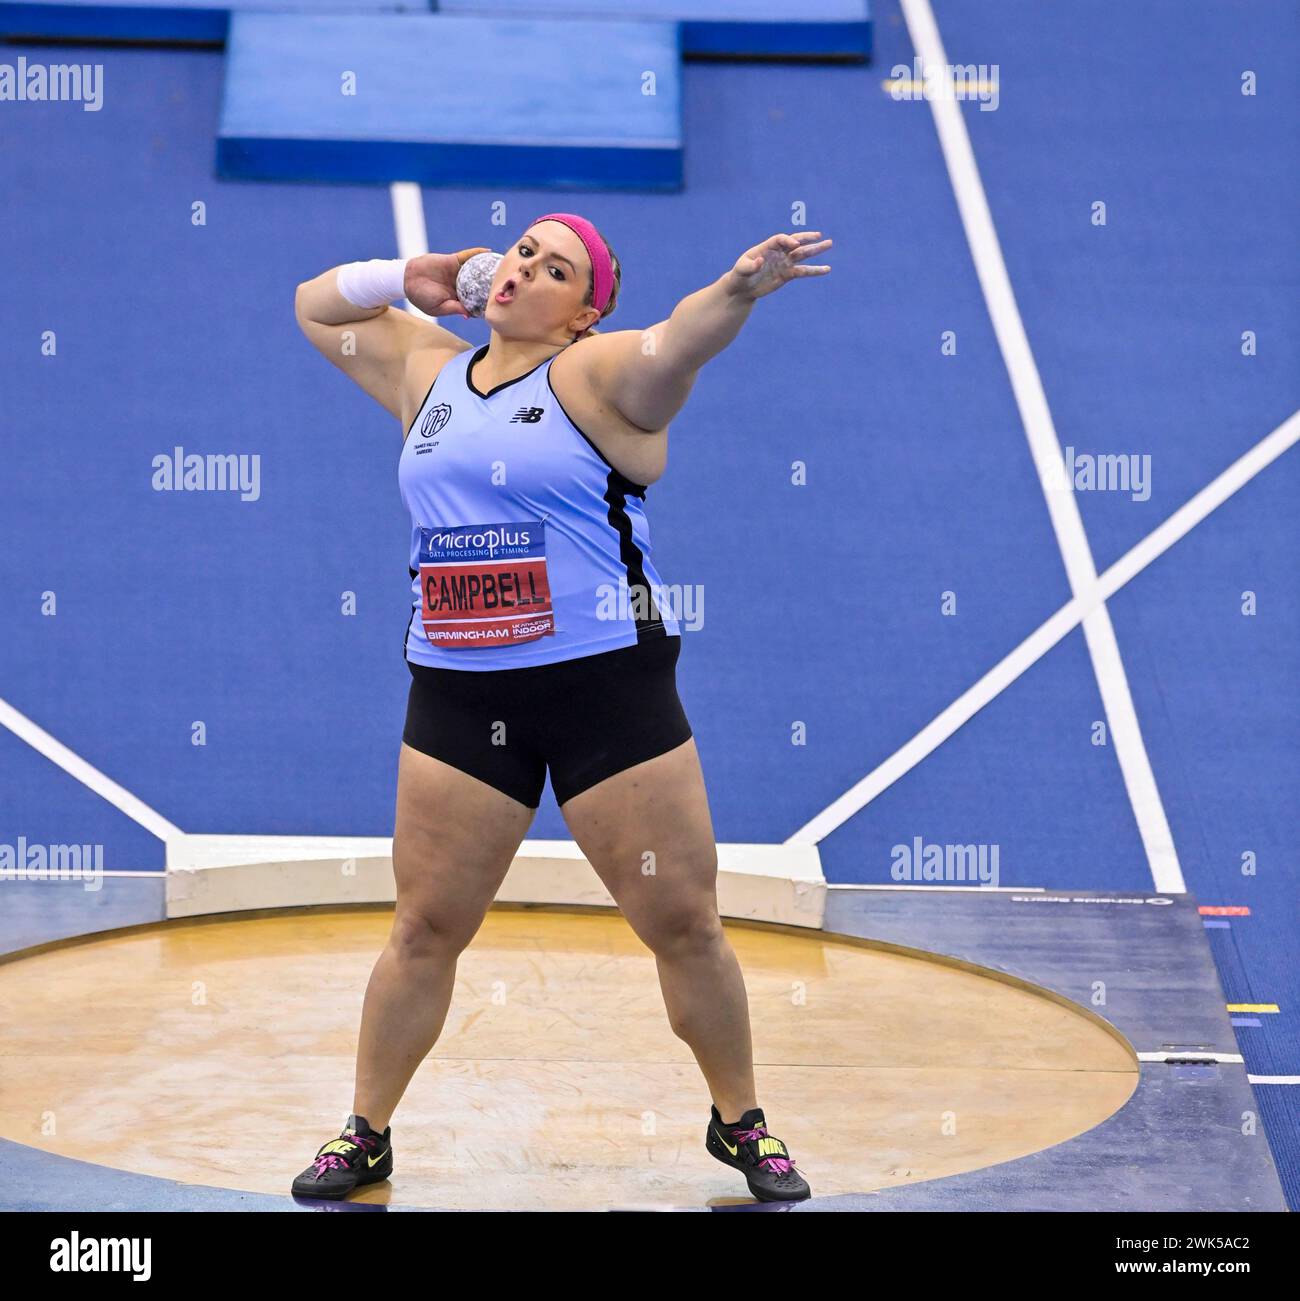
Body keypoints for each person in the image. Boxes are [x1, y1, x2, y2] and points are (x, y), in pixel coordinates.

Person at [290, 214, 832, 1204]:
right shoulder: (426, 371)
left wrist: (738, 289)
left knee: (683, 922)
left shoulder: (595, 377)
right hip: (459, 694)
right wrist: (407, 272)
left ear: (583, 314)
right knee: (424, 926)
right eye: (524, 250)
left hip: (604, 690)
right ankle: (364, 1132)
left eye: (557, 270)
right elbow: (315, 308)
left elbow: (678, 343)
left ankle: (741, 1119)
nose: (527, 268)